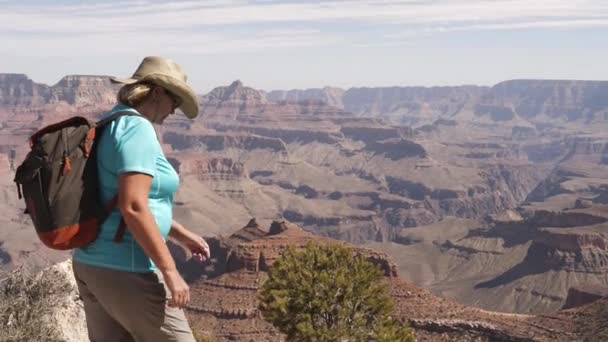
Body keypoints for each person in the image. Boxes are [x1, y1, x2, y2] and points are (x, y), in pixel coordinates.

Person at [72, 56, 210, 342]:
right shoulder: (139, 129)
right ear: (157, 91)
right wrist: (170, 271)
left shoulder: (112, 122)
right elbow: (133, 206)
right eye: (175, 100)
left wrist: (181, 234)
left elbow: (120, 196)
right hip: (128, 268)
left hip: (91, 264)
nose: (175, 110)